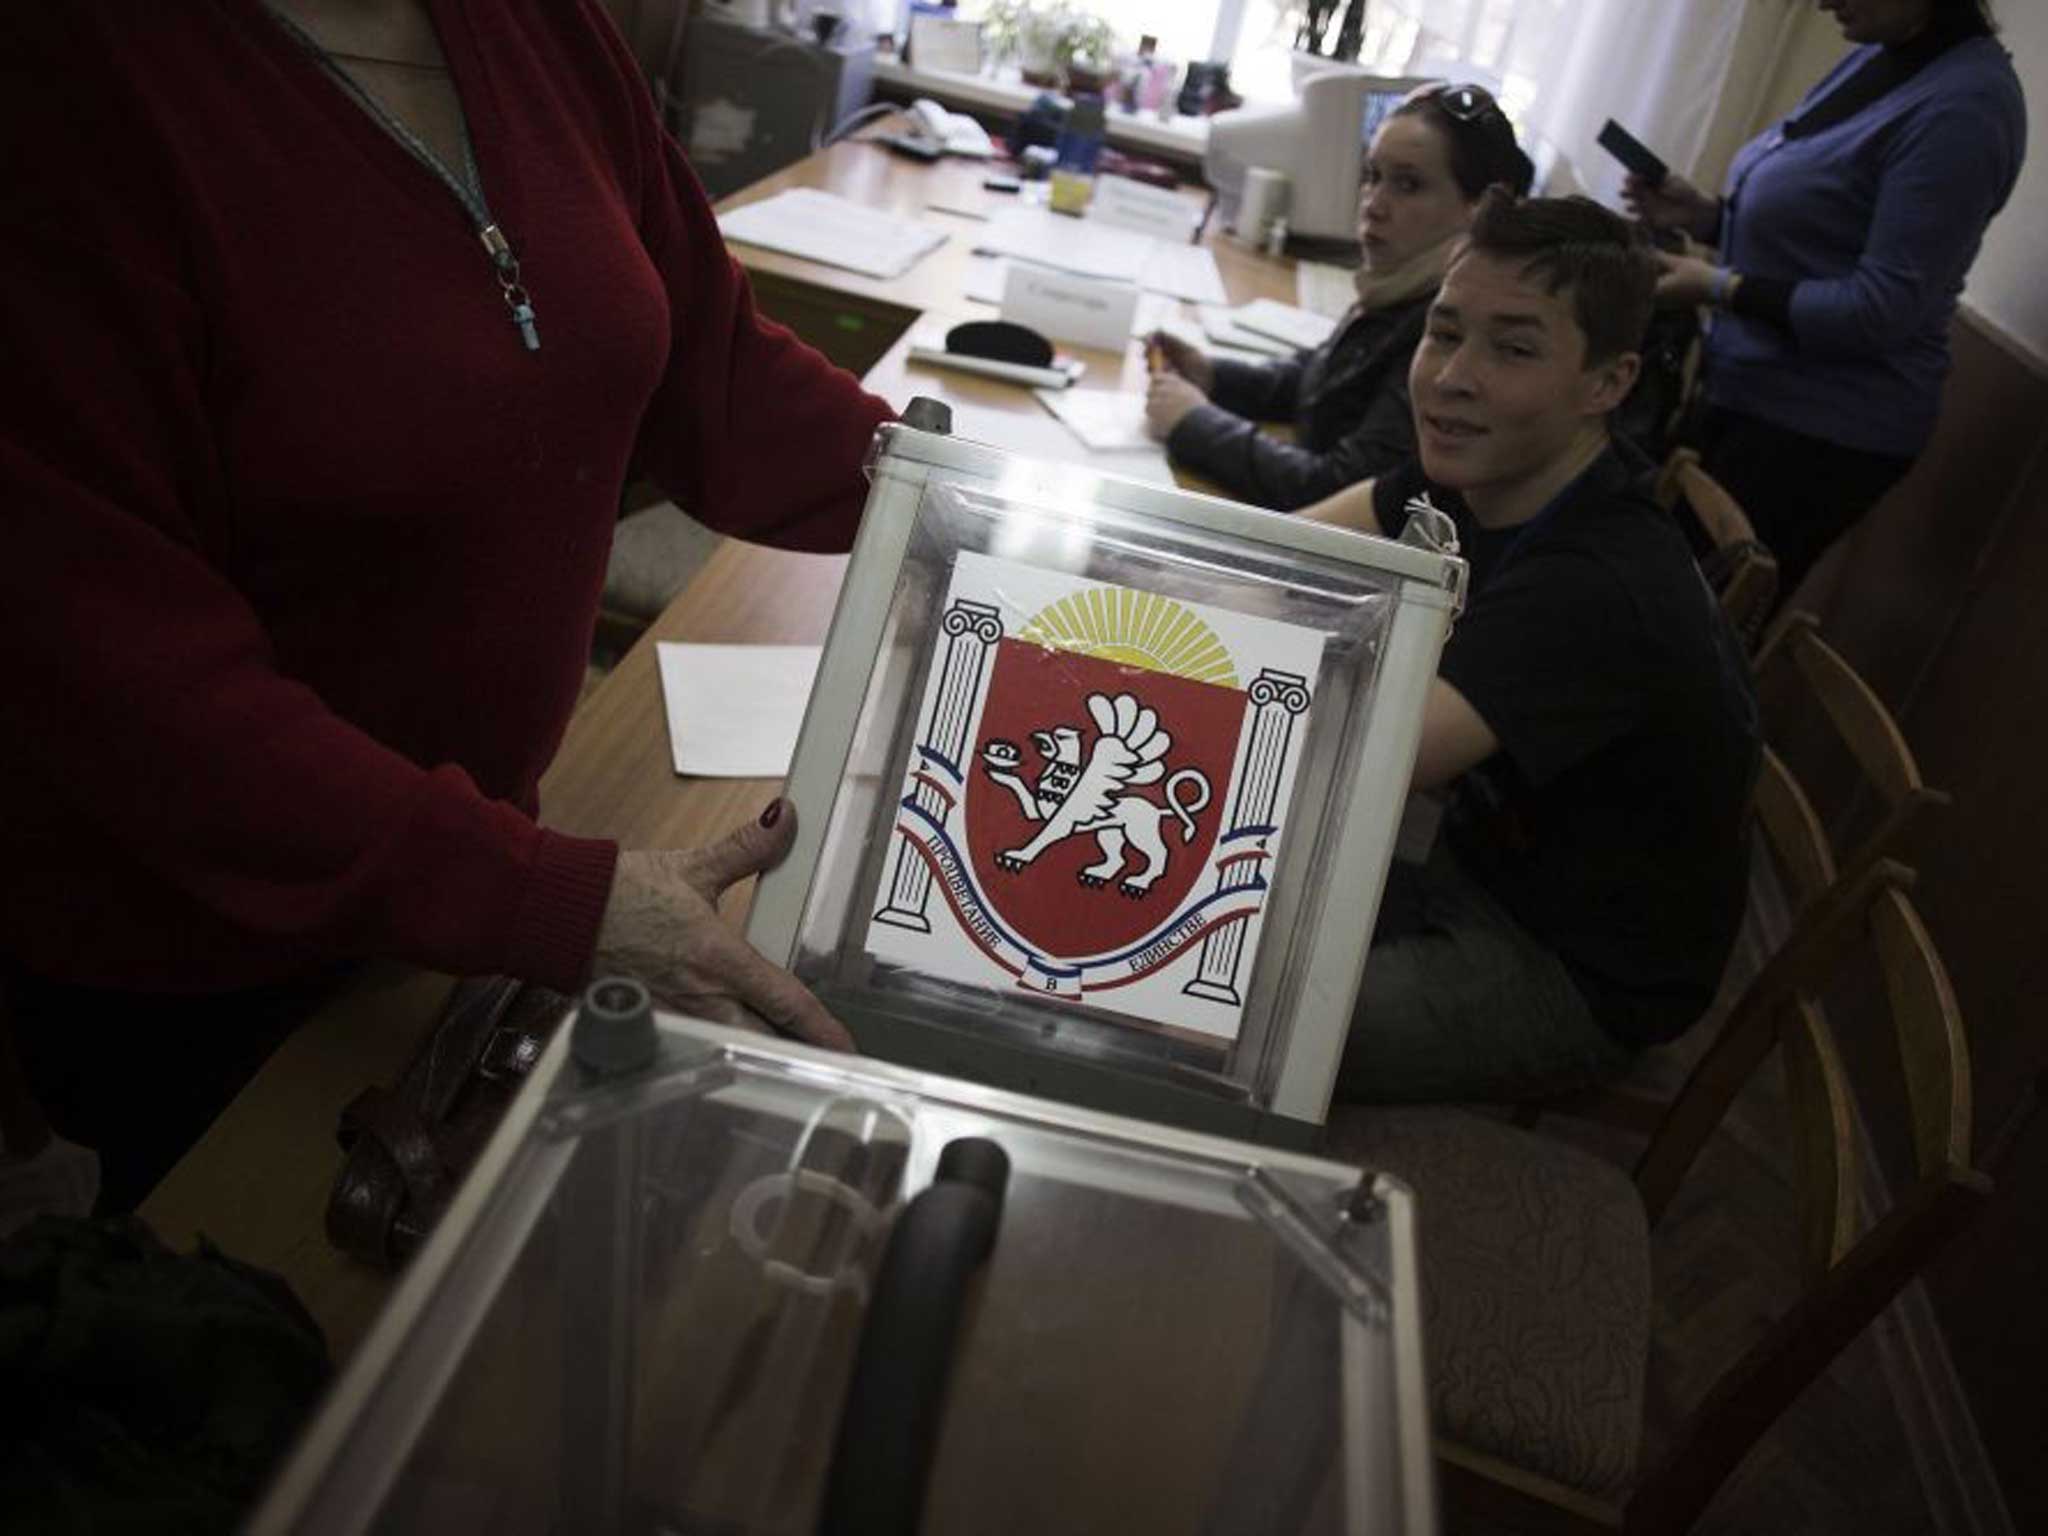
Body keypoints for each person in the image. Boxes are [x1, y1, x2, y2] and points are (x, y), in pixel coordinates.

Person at [0, 0, 889, 1210]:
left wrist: (960, 504)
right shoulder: (70, 87)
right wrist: (540, 899)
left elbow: (712, 369)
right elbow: (127, 687)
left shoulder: (539, 26)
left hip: (464, 887)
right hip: (204, 949)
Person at [1297, 193, 1759, 1103]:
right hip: (1471, 846)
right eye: (1444, 333)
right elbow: (1273, 548)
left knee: (1226, 1008)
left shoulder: (1599, 582)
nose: (1450, 378)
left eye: (1514, 348)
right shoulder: (1485, 465)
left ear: (1608, 383)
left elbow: (1359, 747)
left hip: (1564, 960)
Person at [1627, 0, 2025, 599]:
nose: (1822, 2)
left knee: (1684, 620)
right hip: (1749, 388)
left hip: (1820, 428)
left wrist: (1717, 286)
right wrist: (1709, 218)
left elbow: (1879, 309)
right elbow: (1819, 233)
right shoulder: (1879, 54)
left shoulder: (1966, 108)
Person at [1141, 84, 1535, 509]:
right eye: (1373, 177)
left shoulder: (1445, 329)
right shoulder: (1400, 287)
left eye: (1408, 184)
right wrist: (1212, 375)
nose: (1374, 205)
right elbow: (1324, 382)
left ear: (1478, 209)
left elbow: (1336, 490)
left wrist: (1194, 423)